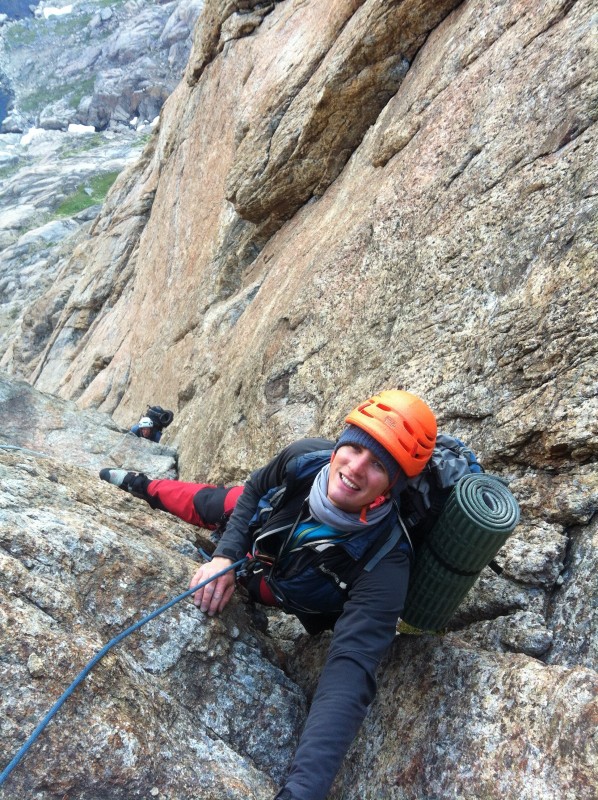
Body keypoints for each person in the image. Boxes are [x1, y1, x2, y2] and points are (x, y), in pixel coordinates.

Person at [99, 389, 438, 800]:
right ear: (339, 444)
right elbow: (259, 484)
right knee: (206, 500)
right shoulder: (307, 458)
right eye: (353, 448)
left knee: (224, 515)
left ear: (392, 487)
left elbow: (348, 677)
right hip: (258, 532)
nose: (355, 467)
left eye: (378, 466)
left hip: (275, 587)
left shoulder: (385, 563)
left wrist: (301, 792)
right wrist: (225, 556)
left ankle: (152, 487)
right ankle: (140, 483)